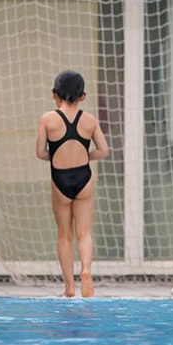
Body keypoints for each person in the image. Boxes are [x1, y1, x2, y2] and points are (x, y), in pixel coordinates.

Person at [35, 71, 110, 298]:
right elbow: (104, 151)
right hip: (83, 178)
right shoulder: (89, 121)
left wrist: (58, 156)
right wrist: (85, 156)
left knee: (64, 235)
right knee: (84, 233)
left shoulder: (47, 119)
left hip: (60, 179)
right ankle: (86, 271)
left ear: (54, 95)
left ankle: (69, 287)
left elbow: (40, 153)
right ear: (83, 96)